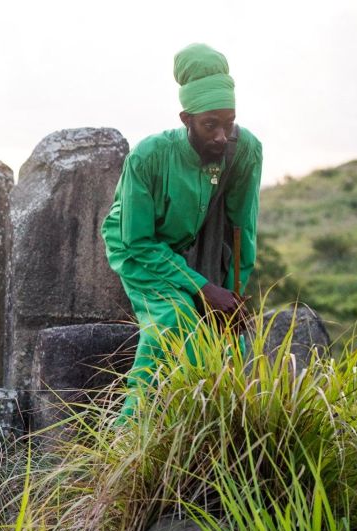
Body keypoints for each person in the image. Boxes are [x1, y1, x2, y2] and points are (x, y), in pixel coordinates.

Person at [101, 43, 263, 417]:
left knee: (228, 341)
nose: (223, 136)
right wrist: (203, 288)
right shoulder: (149, 155)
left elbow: (242, 231)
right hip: (141, 247)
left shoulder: (245, 150)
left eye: (229, 121)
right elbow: (137, 240)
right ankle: (130, 435)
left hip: (201, 244)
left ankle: (210, 435)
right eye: (211, 125)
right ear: (185, 118)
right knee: (175, 321)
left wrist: (231, 295)